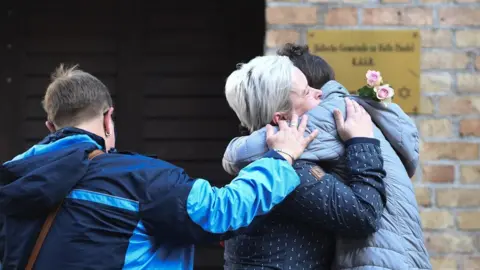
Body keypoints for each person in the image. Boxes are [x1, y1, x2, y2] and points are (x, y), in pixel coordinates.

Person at [0, 64, 319, 270]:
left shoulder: (11, 180)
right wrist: (281, 159)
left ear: (50, 126)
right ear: (108, 117)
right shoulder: (140, 178)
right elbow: (223, 211)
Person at [223, 44, 431, 269]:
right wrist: (361, 142)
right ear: (280, 118)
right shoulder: (290, 172)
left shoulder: (271, 164)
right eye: (306, 91)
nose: (319, 92)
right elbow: (364, 215)